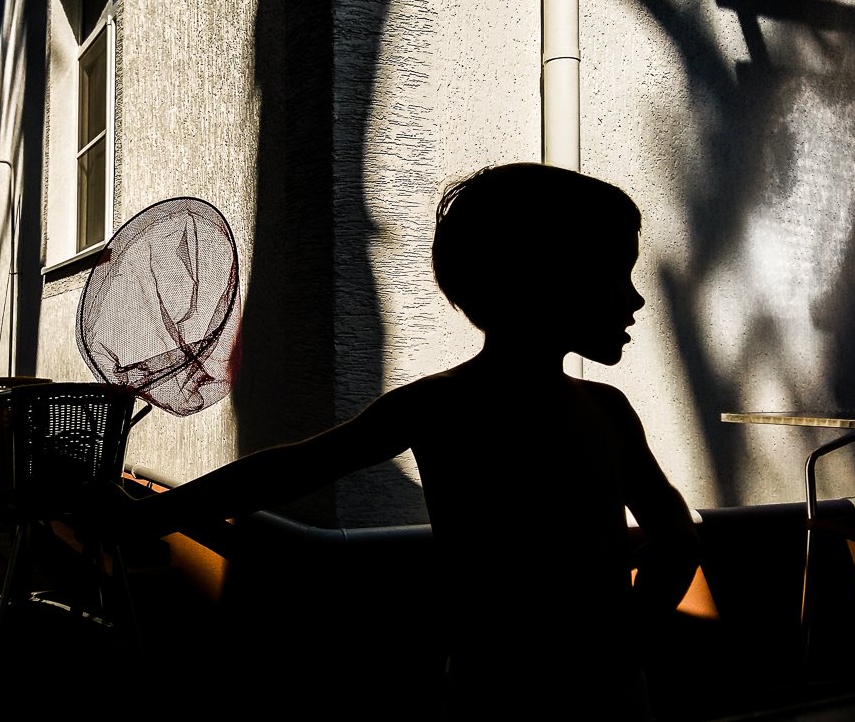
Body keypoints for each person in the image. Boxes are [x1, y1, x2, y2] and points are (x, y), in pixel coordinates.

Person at [108, 162, 701, 717]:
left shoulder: (448, 404)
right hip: (585, 699)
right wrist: (624, 639)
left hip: (502, 692)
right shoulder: (602, 412)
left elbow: (295, 468)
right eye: (614, 274)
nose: (635, 298)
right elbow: (676, 540)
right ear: (542, 280)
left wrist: (151, 515)